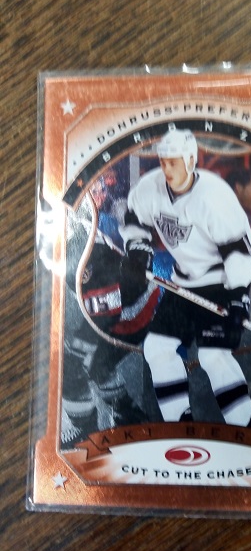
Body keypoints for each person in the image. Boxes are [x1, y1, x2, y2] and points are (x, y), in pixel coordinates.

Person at [120, 128, 251, 427]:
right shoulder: (150, 187)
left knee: (213, 356)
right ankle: (180, 425)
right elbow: (134, 219)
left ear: (191, 160)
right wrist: (138, 248)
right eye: (163, 162)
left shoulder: (214, 196)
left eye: (173, 162)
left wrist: (238, 298)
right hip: (184, 282)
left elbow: (240, 252)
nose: (167, 169)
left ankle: (246, 428)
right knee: (156, 348)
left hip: (222, 281)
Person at [61, 177, 160, 448]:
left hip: (130, 313)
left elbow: (121, 296)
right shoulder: (80, 231)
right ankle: (126, 417)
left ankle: (88, 432)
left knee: (77, 362)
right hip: (116, 306)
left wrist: (137, 245)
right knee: (92, 362)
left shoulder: (90, 248)